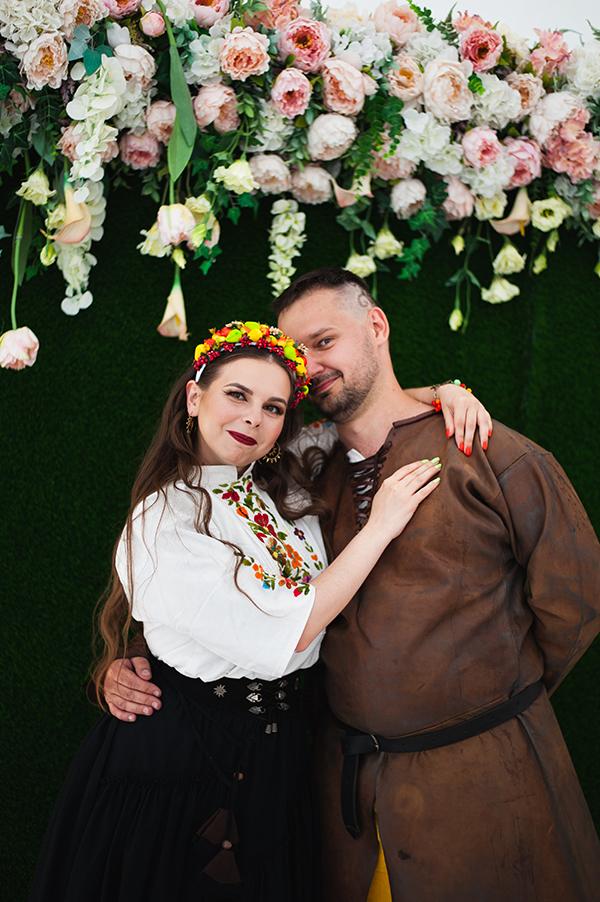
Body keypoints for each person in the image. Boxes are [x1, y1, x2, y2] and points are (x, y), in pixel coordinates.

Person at [106, 268, 599, 902]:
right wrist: (140, 662)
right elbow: (215, 588)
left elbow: (575, 603)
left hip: (485, 782)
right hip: (341, 796)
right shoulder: (297, 472)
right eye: (297, 355)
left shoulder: (488, 451)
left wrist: (492, 703)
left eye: (324, 341)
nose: (309, 367)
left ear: (376, 326)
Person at [29, 319, 483, 902]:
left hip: (280, 761)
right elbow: (291, 635)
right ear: (195, 397)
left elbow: (354, 419)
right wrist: (382, 526)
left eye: (273, 408)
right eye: (236, 395)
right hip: (182, 769)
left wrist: (443, 392)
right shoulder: (163, 520)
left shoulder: (277, 484)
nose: (253, 419)